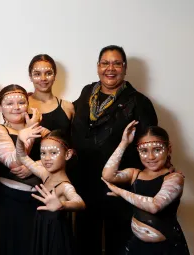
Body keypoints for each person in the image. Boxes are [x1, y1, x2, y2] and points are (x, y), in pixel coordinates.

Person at [71, 45, 158, 255]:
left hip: (119, 186)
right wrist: (36, 102)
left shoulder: (138, 102)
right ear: (98, 66)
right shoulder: (86, 93)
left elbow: (150, 145)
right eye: (105, 63)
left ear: (125, 68)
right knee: (84, 240)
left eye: (117, 63)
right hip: (83, 182)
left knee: (118, 242)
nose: (110, 68)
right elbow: (66, 116)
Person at [102, 121, 190, 254]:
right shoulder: (135, 174)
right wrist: (124, 143)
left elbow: (154, 206)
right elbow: (108, 175)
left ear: (169, 149)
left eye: (157, 149)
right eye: (144, 151)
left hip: (166, 248)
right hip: (137, 246)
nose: (150, 157)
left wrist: (121, 192)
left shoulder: (174, 178)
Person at [0, 84, 48, 255]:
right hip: (8, 202)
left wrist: (37, 166)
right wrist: (29, 131)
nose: (16, 107)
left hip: (38, 201)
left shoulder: (41, 130)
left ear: (28, 105)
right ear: (0, 108)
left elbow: (63, 158)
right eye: (9, 103)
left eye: (21, 102)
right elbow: (15, 163)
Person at [16, 125, 85, 255]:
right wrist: (20, 140)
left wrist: (62, 204)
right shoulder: (44, 174)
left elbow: (80, 203)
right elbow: (22, 157)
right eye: (43, 153)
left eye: (53, 153)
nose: (47, 158)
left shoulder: (65, 186)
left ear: (68, 154)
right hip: (41, 229)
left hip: (55, 236)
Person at [28, 54, 74, 134]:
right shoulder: (21, 106)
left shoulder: (67, 107)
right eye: (37, 74)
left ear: (55, 76)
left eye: (48, 73)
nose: (43, 78)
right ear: (30, 77)